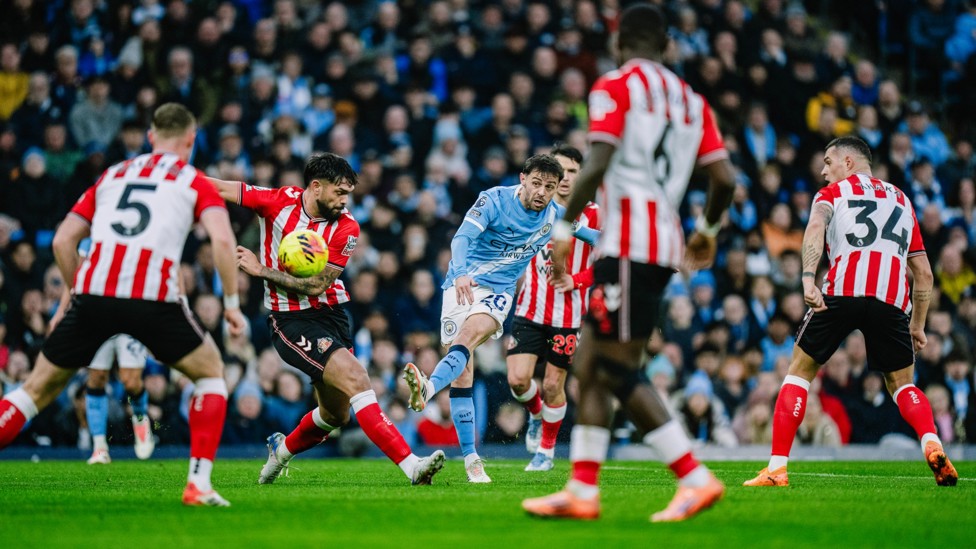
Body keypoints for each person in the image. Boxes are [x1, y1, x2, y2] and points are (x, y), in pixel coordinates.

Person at [521, 4, 736, 522]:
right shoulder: (692, 101)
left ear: (618, 44)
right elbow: (724, 180)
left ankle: (693, 476)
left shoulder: (614, 86)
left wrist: (566, 228)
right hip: (664, 244)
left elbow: (596, 162)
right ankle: (582, 491)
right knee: (592, 365)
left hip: (627, 246)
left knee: (612, 368)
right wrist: (707, 232)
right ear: (667, 46)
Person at [0, 103, 245, 507]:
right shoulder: (193, 180)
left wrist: (78, 287)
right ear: (191, 140)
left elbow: (63, 241)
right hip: (152, 298)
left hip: (95, 294)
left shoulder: (112, 175)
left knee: (34, 391)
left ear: (150, 137)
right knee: (211, 375)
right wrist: (232, 304)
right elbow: (221, 240)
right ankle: (198, 485)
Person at [205, 152, 445, 487]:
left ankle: (281, 450)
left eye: (348, 193)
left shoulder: (346, 227)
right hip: (289, 319)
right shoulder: (277, 202)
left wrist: (262, 271)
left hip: (331, 315)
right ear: (316, 187)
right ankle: (413, 466)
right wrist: (172, 183)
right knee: (358, 379)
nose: (345, 201)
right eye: (340, 193)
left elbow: (319, 284)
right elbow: (218, 187)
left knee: (336, 414)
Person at [744, 136, 957, 488]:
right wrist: (917, 325)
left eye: (828, 162)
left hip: (842, 290)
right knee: (903, 385)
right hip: (890, 300)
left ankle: (777, 468)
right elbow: (924, 274)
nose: (824, 171)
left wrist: (808, 277)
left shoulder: (832, 195)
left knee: (798, 372)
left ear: (848, 161)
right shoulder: (903, 201)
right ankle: (932, 443)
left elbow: (814, 229)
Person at [402, 153, 598, 483]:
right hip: (459, 284)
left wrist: (648, 255)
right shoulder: (492, 200)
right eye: (536, 183)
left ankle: (428, 385)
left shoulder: (555, 214)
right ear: (523, 179)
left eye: (549, 187)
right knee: (462, 374)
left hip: (498, 293)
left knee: (467, 338)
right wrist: (462, 273)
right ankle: (472, 460)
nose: (542, 192)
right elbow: (461, 238)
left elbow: (593, 235)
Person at [506, 144, 599, 472]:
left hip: (568, 316)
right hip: (529, 308)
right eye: (559, 171)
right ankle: (535, 414)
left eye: (572, 172)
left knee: (552, 385)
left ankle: (545, 452)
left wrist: (579, 279)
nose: (564, 178)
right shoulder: (531, 207)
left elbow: (613, 258)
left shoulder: (594, 215)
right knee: (518, 381)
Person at [84, 334, 154, 464]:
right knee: (96, 377)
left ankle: (140, 418)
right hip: (100, 320)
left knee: (131, 381)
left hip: (129, 320)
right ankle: (99, 448)